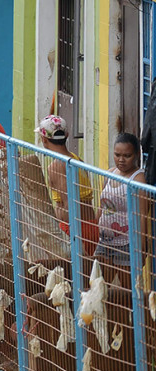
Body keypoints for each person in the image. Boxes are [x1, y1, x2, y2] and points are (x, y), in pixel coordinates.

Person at [37, 114, 97, 255]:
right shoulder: (76, 159)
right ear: (67, 135)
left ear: (44, 139)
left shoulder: (56, 166)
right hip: (90, 225)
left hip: (74, 229)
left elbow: (68, 205)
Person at [95, 132, 144, 277]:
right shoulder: (110, 173)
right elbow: (101, 207)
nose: (121, 160)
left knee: (127, 292)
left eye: (127, 156)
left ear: (136, 155)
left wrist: (139, 249)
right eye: (117, 155)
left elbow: (142, 216)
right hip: (104, 242)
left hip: (127, 244)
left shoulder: (139, 179)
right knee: (96, 284)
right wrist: (93, 232)